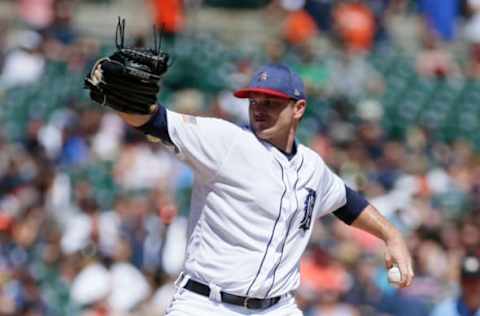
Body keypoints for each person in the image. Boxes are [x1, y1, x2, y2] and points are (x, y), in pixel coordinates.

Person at [90, 63, 414, 315]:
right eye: (254, 100)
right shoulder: (226, 142)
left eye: (271, 102)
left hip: (277, 307)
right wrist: (122, 101)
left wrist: (392, 235)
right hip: (207, 304)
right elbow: (154, 121)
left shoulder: (312, 167)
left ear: (298, 108)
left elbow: (349, 204)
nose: (259, 108)